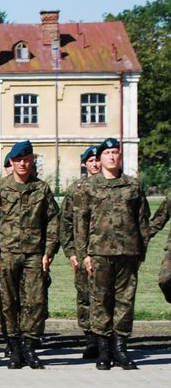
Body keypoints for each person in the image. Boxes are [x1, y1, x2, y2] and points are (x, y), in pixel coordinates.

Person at [0, 141, 59, 370]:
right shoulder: (0, 189)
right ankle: (14, 347)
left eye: (27, 160)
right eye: (18, 160)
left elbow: (53, 219)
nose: (23, 164)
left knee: (35, 301)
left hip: (35, 255)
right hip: (7, 254)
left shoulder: (41, 189)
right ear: (12, 163)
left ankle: (30, 348)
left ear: (32, 161)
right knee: (9, 302)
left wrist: (49, 250)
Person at [74, 137, 150, 370]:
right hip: (99, 253)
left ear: (120, 156)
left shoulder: (132, 185)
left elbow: (142, 222)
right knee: (100, 301)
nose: (112, 157)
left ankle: (120, 348)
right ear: (101, 157)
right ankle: (104, 350)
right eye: (108, 153)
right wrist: (83, 254)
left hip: (128, 253)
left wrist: (140, 252)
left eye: (116, 152)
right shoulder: (88, 186)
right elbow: (81, 223)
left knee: (125, 302)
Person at [59, 147, 101, 359]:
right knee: (85, 296)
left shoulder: (113, 186)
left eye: (97, 160)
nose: (95, 164)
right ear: (85, 164)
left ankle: (108, 338)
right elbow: (65, 222)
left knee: (106, 296)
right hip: (81, 252)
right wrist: (70, 251)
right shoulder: (76, 189)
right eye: (90, 161)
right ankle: (91, 338)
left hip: (106, 252)